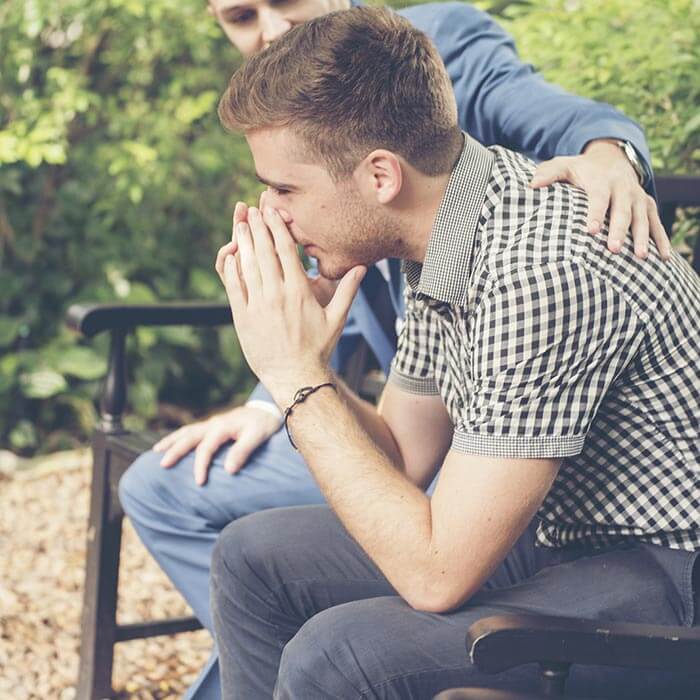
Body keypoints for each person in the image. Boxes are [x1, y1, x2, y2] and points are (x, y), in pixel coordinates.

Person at [118, 1, 670, 697]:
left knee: (340, 652)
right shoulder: (448, 232)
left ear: (381, 176)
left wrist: (292, 379)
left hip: (664, 576)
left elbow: (436, 575)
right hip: (562, 539)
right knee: (254, 557)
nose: (274, 216)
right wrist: (308, 364)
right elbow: (404, 455)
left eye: (285, 189)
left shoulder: (536, 269)